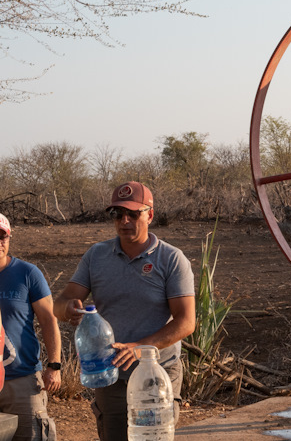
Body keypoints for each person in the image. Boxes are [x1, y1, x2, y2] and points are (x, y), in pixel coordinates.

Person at [53, 182, 195, 440]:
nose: (124, 220)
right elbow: (61, 302)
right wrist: (68, 308)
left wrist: (140, 347)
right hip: (111, 373)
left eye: (133, 213)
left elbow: (186, 322)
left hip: (158, 372)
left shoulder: (171, 259)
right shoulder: (97, 255)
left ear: (149, 215)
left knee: (153, 436)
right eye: (117, 214)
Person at [0, 213, 60, 440]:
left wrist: (54, 365)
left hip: (23, 380)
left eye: (2, 236)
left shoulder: (27, 273)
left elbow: (49, 320)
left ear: (9, 238)